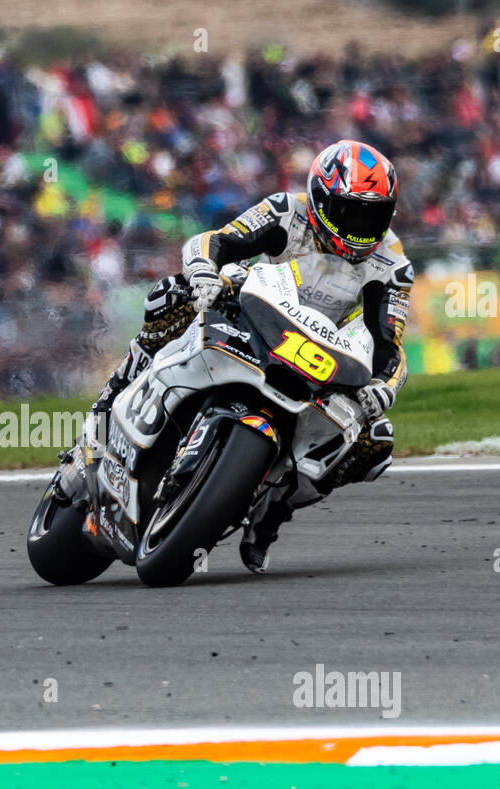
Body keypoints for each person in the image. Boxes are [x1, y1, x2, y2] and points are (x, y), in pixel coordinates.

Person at [91, 140, 414, 572]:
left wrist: (381, 388)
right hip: (252, 310)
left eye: (371, 217)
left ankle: (274, 508)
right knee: (172, 296)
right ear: (319, 198)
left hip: (320, 356)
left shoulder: (393, 266)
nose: (360, 230)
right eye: (349, 214)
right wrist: (205, 271)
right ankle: (115, 392)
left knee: (375, 441)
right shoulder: (285, 210)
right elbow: (218, 241)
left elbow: (388, 343)